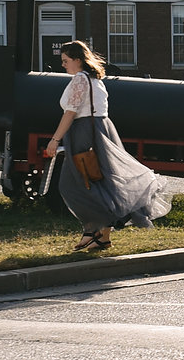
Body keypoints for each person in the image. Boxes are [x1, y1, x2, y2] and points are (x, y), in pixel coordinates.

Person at [43, 41, 169, 249]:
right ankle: (101, 236)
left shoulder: (80, 80)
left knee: (71, 185)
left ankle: (93, 230)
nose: (63, 65)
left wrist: (55, 140)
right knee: (102, 184)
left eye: (66, 61)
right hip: (100, 131)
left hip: (84, 133)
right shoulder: (96, 80)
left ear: (77, 60)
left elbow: (70, 113)